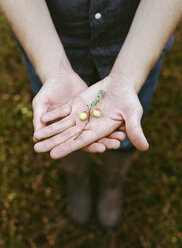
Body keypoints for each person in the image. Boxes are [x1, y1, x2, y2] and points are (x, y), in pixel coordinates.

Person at [0, 0, 181, 228]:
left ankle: (113, 182)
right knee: (63, 126)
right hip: (49, 38)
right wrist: (54, 70)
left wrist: (126, 76)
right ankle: (77, 175)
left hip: (136, 40)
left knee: (123, 129)